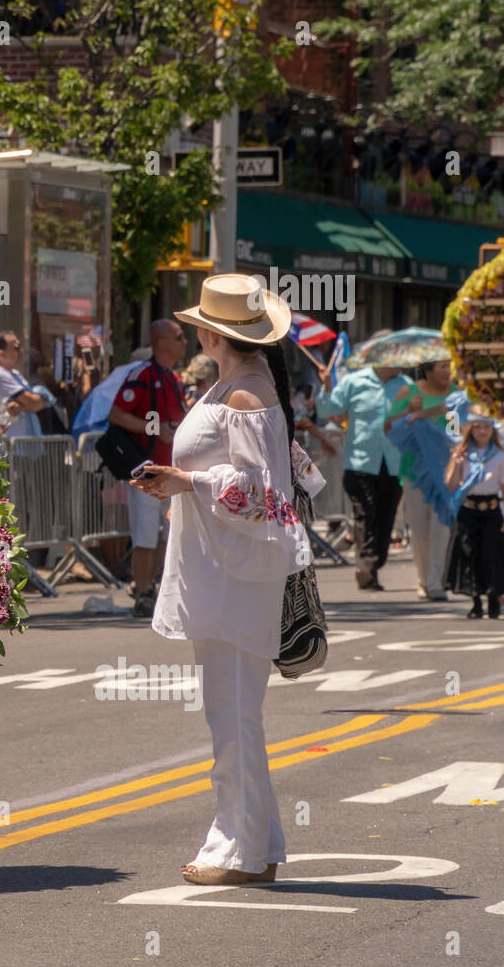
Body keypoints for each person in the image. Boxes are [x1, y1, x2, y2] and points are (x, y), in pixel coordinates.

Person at [130, 273, 306, 886]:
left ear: (213, 333)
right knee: (232, 715)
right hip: (225, 568)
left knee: (233, 715)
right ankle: (253, 844)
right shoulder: (239, 386)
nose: (193, 331)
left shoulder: (245, 394)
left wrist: (187, 482)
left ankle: (239, 849)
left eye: (199, 324)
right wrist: (182, 479)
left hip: (236, 573)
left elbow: (264, 494)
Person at [108, 319, 187, 617]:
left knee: (171, 535)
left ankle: (154, 586)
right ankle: (142, 593)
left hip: (173, 472)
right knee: (144, 537)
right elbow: (117, 414)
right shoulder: (142, 374)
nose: (184, 341)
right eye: (179, 336)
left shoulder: (175, 379)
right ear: (161, 342)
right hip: (147, 470)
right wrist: (155, 429)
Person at [315, 356, 411, 590]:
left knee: (385, 516)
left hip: (393, 462)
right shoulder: (354, 382)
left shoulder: (406, 385)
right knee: (365, 512)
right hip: (360, 463)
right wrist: (327, 386)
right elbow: (328, 409)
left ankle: (374, 564)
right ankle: (366, 566)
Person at [383, 359, 454, 600]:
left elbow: (460, 431)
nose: (448, 371)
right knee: (420, 530)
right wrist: (408, 412)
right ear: (428, 369)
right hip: (414, 472)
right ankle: (424, 579)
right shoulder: (408, 391)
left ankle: (436, 582)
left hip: (447, 474)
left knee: (442, 529)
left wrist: (448, 415)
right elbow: (387, 427)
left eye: (450, 366)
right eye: (443, 366)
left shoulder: (456, 394)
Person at [444, 411, 504, 619]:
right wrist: (457, 463)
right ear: (471, 430)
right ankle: (476, 601)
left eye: (486, 427)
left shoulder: (499, 455)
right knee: (470, 555)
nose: (482, 432)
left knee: (492, 556)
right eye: (477, 427)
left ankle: (493, 598)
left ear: (492, 430)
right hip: (469, 509)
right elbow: (451, 485)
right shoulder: (464, 453)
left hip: (491, 509)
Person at [0, 332, 44, 443]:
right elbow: (33, 403)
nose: (20, 351)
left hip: (24, 445)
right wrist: (32, 402)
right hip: (10, 447)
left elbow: (38, 403)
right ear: (2, 354)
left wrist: (24, 404)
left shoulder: (15, 373)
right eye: (16, 347)